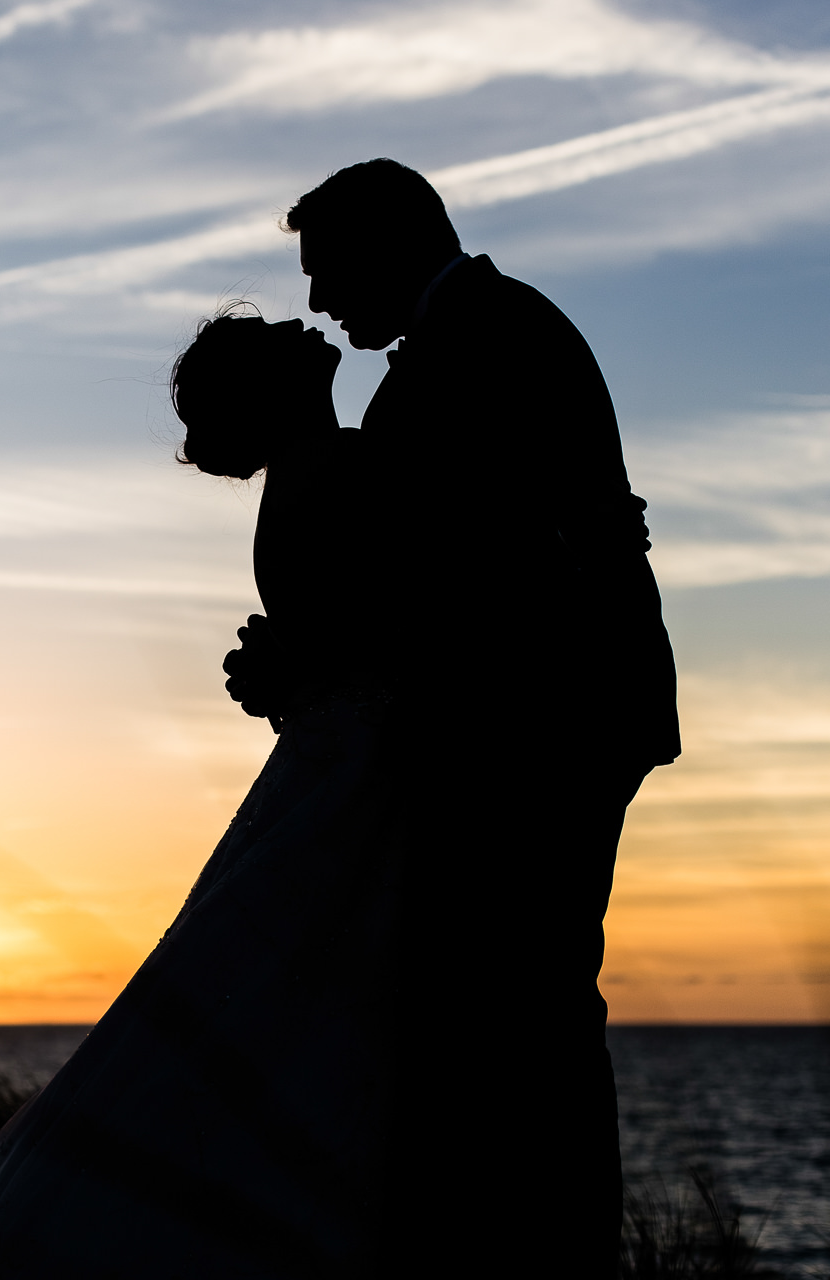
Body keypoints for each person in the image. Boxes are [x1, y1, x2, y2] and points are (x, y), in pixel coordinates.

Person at [226, 157, 679, 1276]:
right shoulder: (463, 344)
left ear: (391, 242)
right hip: (522, 724)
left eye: (329, 271)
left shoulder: (494, 339)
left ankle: (553, 1250)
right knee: (509, 1011)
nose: (324, 301)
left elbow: (472, 566)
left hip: (544, 728)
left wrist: (314, 653)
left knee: (527, 1012)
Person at [0, 309, 418, 1277]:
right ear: (269, 384)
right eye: (279, 327)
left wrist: (289, 673)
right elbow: (408, 628)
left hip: (345, 761)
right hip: (375, 776)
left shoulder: (316, 475)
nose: (302, 317)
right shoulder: (334, 471)